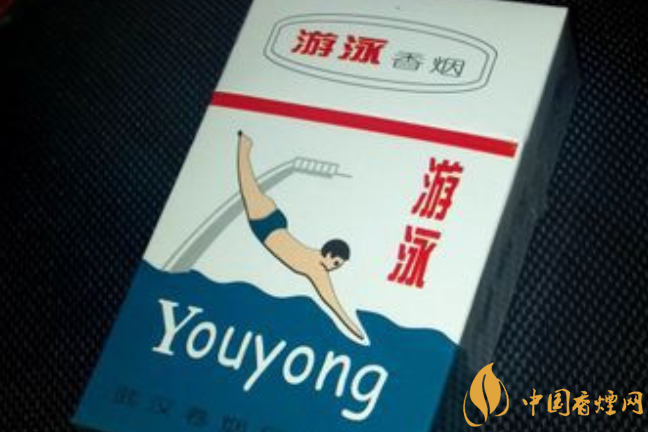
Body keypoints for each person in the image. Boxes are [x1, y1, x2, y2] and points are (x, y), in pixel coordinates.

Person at [237, 131, 364, 340]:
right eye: (336, 262)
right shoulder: (316, 269)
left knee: (250, 186)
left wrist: (355, 329)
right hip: (267, 226)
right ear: (328, 253)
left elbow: (335, 304)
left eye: (338, 265)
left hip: (274, 225)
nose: (334, 267)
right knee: (247, 183)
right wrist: (355, 330)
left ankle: (245, 147)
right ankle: (244, 146)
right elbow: (334, 304)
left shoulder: (317, 266)